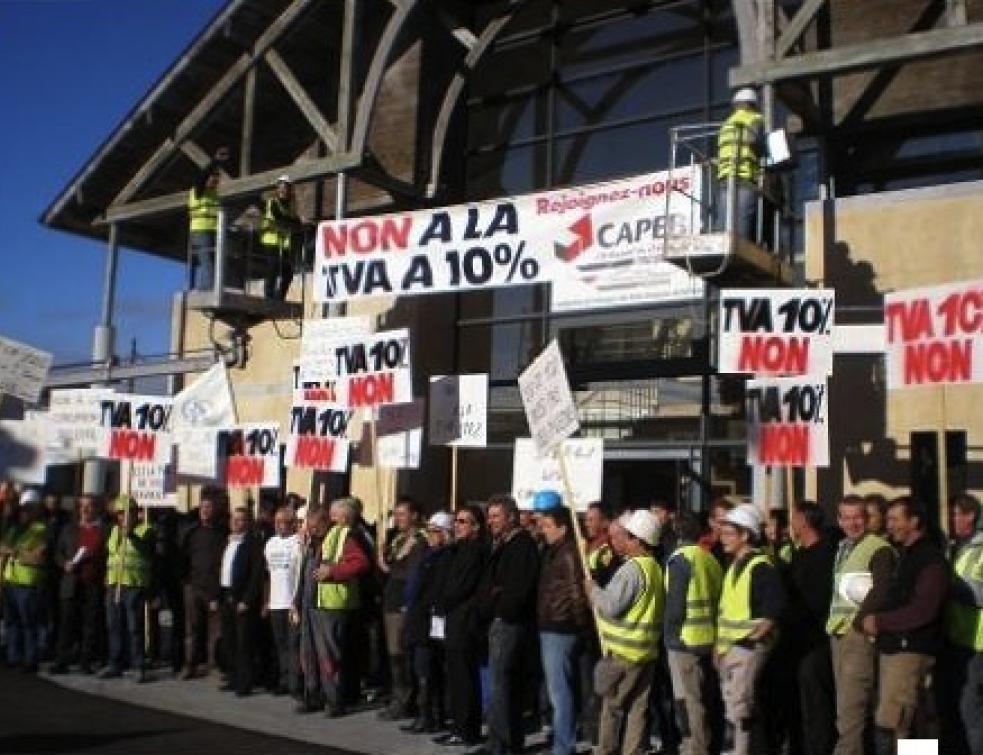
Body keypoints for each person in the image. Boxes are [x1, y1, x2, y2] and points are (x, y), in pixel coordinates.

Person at [862, 497, 947, 753]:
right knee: (914, 718)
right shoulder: (905, 555)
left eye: (895, 519)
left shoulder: (929, 560)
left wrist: (880, 621)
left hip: (910, 649)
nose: (889, 525)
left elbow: (923, 610)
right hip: (896, 646)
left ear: (914, 521)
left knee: (895, 721)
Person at [587, 509, 665, 755]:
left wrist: (592, 590)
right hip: (646, 652)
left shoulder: (632, 570)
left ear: (640, 541)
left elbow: (611, 605)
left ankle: (606, 751)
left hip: (624, 653)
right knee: (637, 710)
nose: (624, 540)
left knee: (611, 708)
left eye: (629, 536)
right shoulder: (654, 568)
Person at [827, 494, 895, 755]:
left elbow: (882, 590)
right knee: (851, 709)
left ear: (868, 519)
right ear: (839, 520)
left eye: (858, 517)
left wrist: (858, 622)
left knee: (852, 710)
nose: (852, 523)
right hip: (841, 634)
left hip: (860, 636)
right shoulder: (845, 547)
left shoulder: (878, 548)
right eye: (846, 517)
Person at [715, 503, 785, 755]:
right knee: (734, 706)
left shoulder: (761, 567)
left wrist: (754, 639)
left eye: (729, 533)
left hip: (747, 647)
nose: (723, 538)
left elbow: (774, 609)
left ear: (745, 535)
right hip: (731, 648)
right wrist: (720, 647)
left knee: (740, 707)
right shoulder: (735, 565)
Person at [476, 493, 541, 755]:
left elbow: (516, 589)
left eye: (496, 516)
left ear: (511, 517)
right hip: (499, 620)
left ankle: (501, 743)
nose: (490, 521)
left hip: (508, 623)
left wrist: (500, 608)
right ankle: (504, 740)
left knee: (501, 685)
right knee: (502, 684)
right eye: (489, 516)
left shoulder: (521, 545)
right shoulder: (501, 543)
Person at [664, 511, 723, 755]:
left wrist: (671, 636)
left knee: (691, 700)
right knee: (704, 697)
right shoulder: (709, 558)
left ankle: (697, 748)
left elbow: (675, 606)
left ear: (677, 533)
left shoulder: (679, 560)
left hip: (685, 640)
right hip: (708, 637)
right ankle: (706, 745)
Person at [537, 505, 591, 755]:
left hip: (561, 628)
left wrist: (579, 625)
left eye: (548, 526)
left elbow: (577, 592)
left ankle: (564, 746)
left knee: (559, 692)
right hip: (552, 626)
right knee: (559, 689)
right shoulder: (554, 552)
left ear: (563, 528)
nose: (544, 531)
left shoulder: (569, 553)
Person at [433, 504, 487, 747]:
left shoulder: (475, 552)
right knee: (456, 675)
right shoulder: (456, 550)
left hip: (465, 619)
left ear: (476, 526)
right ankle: (458, 725)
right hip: (454, 618)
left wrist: (443, 602)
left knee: (464, 676)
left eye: (463, 521)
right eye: (456, 521)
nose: (457, 525)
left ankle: (466, 729)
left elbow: (461, 586)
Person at [785, 500, 837, 755]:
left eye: (793, 517)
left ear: (804, 521)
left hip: (816, 640)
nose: (790, 523)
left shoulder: (824, 556)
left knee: (818, 705)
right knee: (803, 703)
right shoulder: (799, 554)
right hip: (798, 642)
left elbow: (816, 599)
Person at [312, 497, 371, 717]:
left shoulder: (346, 534)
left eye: (333, 513)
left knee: (331, 656)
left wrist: (332, 571)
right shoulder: (335, 533)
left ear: (343, 517)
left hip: (336, 602)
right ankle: (337, 696)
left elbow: (360, 563)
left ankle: (335, 701)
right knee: (334, 655)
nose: (329, 516)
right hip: (328, 601)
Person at [401, 511, 455, 734]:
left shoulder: (445, 557)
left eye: (435, 531)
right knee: (421, 667)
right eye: (429, 531)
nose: (430, 535)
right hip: (418, 618)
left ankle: (430, 716)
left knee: (428, 669)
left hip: (429, 619)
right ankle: (427, 714)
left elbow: (436, 589)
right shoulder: (429, 554)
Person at [939, 493, 983, 754]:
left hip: (975, 642)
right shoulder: (954, 547)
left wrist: (951, 588)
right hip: (952, 638)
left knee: (969, 710)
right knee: (948, 708)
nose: (952, 520)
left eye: (957, 514)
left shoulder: (978, 549)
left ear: (971, 516)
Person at [378, 496, 426, 721]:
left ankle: (405, 700)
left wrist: (390, 568)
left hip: (403, 603)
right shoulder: (398, 539)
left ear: (414, 516)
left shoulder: (419, 541)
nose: (397, 519)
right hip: (391, 600)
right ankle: (399, 696)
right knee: (393, 652)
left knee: (400, 653)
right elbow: (390, 567)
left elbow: (412, 574)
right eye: (395, 514)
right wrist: (383, 557)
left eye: (402, 514)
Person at [100, 495, 154, 681]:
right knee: (114, 626)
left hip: (134, 585)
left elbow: (146, 550)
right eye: (121, 513)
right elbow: (111, 555)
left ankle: (138, 665)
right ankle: (115, 663)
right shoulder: (114, 530)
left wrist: (130, 535)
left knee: (134, 627)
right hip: (115, 584)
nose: (124, 517)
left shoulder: (146, 530)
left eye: (128, 513)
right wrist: (107, 576)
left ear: (135, 513)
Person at [51, 494, 106, 674]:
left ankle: (85, 662)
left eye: (89, 506)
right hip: (71, 584)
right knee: (66, 625)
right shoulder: (69, 529)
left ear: (97, 508)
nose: (85, 509)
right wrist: (64, 563)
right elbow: (57, 553)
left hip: (93, 584)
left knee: (89, 626)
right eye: (82, 506)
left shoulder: (104, 530)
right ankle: (61, 661)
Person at [180, 492, 227, 679]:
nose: (205, 511)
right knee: (192, 629)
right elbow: (182, 558)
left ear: (214, 510)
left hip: (214, 589)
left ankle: (213, 665)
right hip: (193, 587)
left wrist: (218, 591)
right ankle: (189, 665)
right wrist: (186, 581)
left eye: (208, 507)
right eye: (202, 508)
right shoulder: (191, 533)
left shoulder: (222, 534)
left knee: (215, 631)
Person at [218, 506, 264, 697]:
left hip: (242, 597)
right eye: (234, 518)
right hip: (225, 594)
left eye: (240, 519)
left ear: (248, 523)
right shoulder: (227, 541)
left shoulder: (253, 544)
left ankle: (244, 683)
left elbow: (256, 575)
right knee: (229, 640)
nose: (235, 522)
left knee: (244, 642)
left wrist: (247, 599)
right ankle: (233, 677)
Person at [1, 490, 48, 672]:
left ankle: (30, 660)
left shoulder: (41, 530)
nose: (24, 512)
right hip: (10, 581)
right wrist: (18, 552)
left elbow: (38, 557)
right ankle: (13, 657)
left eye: (29, 509)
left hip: (28, 584)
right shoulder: (14, 529)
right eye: (23, 508)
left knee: (29, 624)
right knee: (12, 622)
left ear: (36, 509)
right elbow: (2, 547)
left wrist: (15, 552)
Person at [715, 87, 764, 239]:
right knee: (741, 225)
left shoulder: (727, 124)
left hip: (725, 177)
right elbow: (753, 141)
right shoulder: (755, 118)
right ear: (752, 104)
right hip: (744, 176)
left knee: (724, 223)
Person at [264, 505, 303, 696]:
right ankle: (284, 679)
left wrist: (297, 601)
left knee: (293, 644)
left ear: (292, 523)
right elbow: (268, 573)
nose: (280, 525)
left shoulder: (297, 543)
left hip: (291, 602)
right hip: (275, 602)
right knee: (280, 644)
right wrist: (266, 600)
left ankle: (295, 682)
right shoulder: (270, 543)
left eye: (284, 522)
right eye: (277, 522)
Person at [187, 147, 227, 291]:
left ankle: (207, 287)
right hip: (200, 231)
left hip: (214, 231)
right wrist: (215, 161)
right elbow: (202, 176)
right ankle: (209, 290)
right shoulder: (198, 191)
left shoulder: (215, 195)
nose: (215, 179)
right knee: (207, 261)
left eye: (217, 177)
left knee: (216, 261)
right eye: (212, 176)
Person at [260, 175, 300, 300]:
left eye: (286, 188)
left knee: (288, 272)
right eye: (281, 187)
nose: (283, 190)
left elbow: (296, 222)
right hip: (271, 240)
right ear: (278, 189)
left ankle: (279, 298)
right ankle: (269, 297)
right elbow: (278, 217)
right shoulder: (273, 202)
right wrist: (293, 221)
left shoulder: (291, 207)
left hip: (284, 243)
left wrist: (298, 222)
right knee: (273, 266)